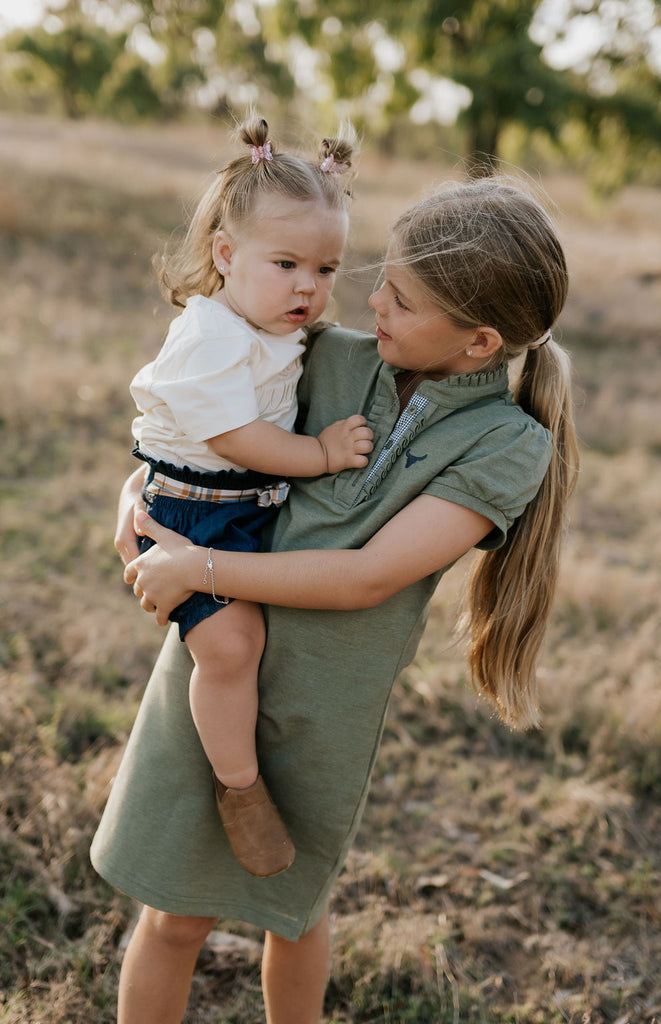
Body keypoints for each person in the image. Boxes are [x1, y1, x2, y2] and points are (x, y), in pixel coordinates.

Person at [91, 173, 579, 1024]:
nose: (369, 300)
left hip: (326, 708)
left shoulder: (507, 446)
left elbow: (366, 578)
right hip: (217, 673)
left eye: (399, 296)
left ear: (479, 342)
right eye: (380, 277)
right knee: (174, 914)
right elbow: (196, 429)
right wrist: (137, 494)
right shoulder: (330, 356)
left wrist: (198, 567)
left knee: (296, 910)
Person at [126, 115, 373, 878]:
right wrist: (319, 455)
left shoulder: (273, 324)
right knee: (232, 648)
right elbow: (237, 437)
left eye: (327, 270)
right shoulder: (212, 335)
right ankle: (240, 788)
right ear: (225, 256)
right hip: (195, 508)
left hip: (240, 504)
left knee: (261, 638)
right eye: (288, 263)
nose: (308, 286)